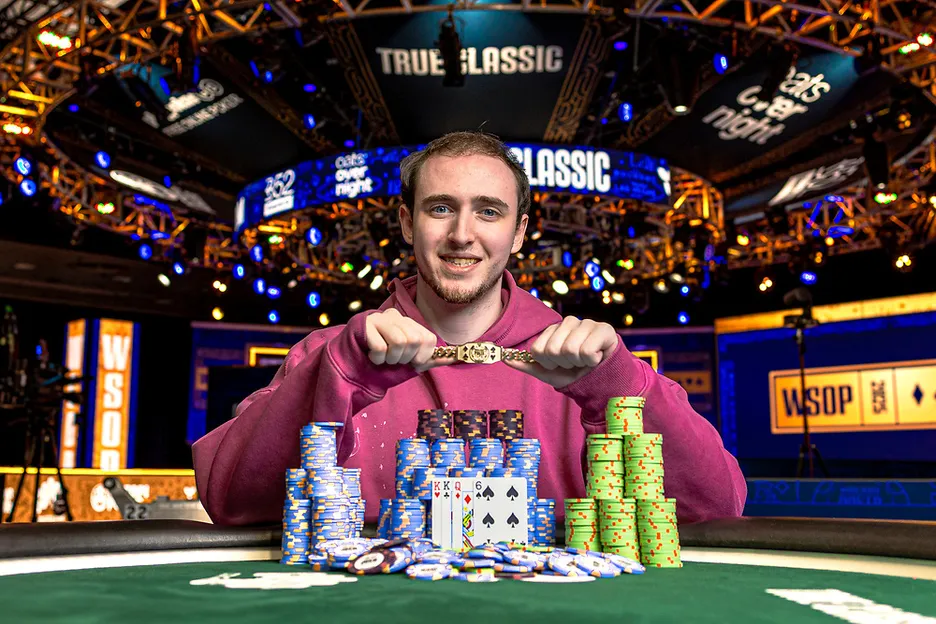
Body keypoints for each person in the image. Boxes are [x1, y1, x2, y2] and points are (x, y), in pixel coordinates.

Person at [192, 131, 746, 526]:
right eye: (439, 208)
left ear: (520, 231)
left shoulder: (585, 359)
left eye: (488, 211)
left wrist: (621, 385)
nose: (462, 234)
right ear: (408, 223)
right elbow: (229, 498)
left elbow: (718, 506)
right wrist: (337, 377)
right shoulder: (330, 354)